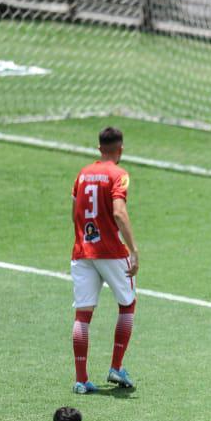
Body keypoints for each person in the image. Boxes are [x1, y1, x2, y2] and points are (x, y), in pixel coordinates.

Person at [71, 127, 140, 394]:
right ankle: (116, 367)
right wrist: (133, 249)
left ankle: (81, 380)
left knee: (83, 314)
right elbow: (119, 213)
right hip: (111, 252)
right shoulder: (119, 174)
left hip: (83, 250)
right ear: (120, 149)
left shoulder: (82, 174)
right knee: (127, 304)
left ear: (99, 148)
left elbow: (75, 212)